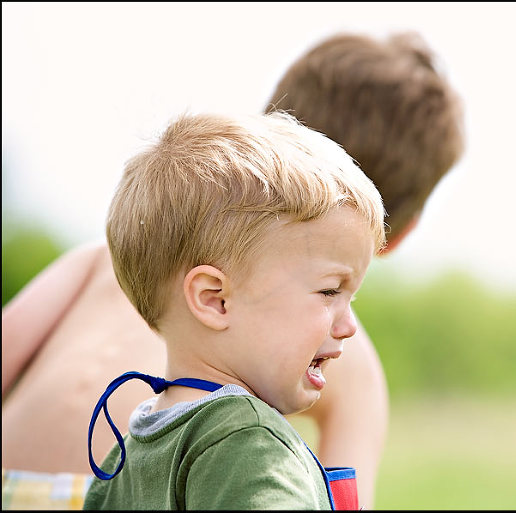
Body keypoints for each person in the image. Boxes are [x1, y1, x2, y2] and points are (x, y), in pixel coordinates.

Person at [1, 31, 464, 509]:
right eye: (329, 291)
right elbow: (349, 501)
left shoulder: (112, 253)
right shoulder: (337, 351)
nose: (340, 317)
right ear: (399, 232)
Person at [82, 111, 386, 509]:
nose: (348, 326)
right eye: (329, 291)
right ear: (215, 299)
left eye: (351, 298)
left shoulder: (127, 457)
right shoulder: (249, 442)